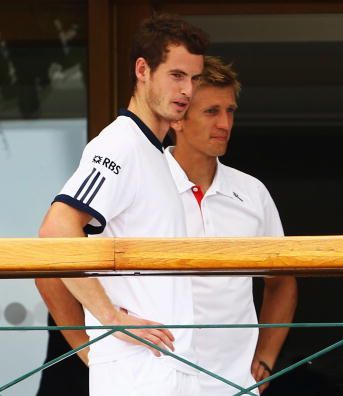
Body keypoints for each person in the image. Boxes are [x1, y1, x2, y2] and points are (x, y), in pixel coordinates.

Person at [35, 14, 208, 396]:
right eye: (177, 75)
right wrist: (108, 319)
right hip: (138, 374)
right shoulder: (119, 144)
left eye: (194, 79)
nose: (187, 90)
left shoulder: (157, 154)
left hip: (170, 367)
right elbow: (56, 230)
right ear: (142, 70)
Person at [166, 55, 298, 395]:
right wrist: (91, 349)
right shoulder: (141, 183)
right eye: (212, 111)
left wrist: (266, 358)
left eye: (231, 111)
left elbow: (282, 281)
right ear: (178, 118)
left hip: (235, 387)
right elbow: (68, 265)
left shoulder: (252, 192)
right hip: (152, 383)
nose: (225, 123)